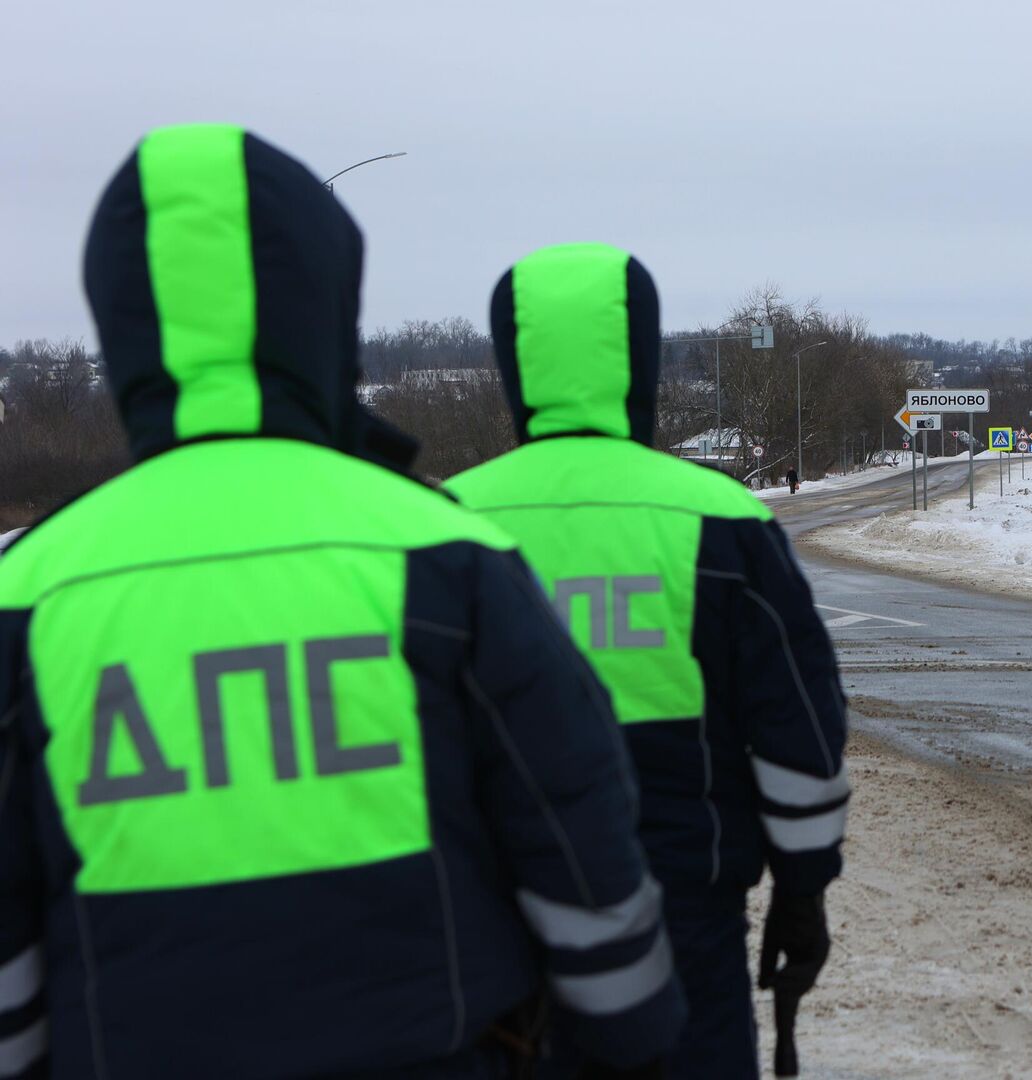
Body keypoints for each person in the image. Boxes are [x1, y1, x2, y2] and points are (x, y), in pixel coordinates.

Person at [0, 126, 685, 1077]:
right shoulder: (447, 554)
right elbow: (571, 826)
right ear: (323, 305)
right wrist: (634, 1041)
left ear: (120, 321)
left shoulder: (28, 589)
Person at [445, 243, 849, 1079]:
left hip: (490, 933)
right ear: (643, 360)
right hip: (686, 909)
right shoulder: (720, 519)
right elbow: (796, 727)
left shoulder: (442, 523)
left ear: (513, 363)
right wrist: (803, 886)